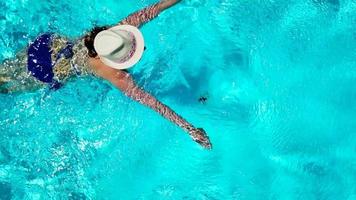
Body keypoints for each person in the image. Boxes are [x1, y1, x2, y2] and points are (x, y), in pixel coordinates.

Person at [0, 0, 212, 149]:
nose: (143, 49)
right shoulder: (115, 74)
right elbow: (154, 104)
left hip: (47, 45)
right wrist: (189, 129)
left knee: (5, 70)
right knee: (4, 87)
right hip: (48, 72)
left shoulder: (114, 34)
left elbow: (154, 9)